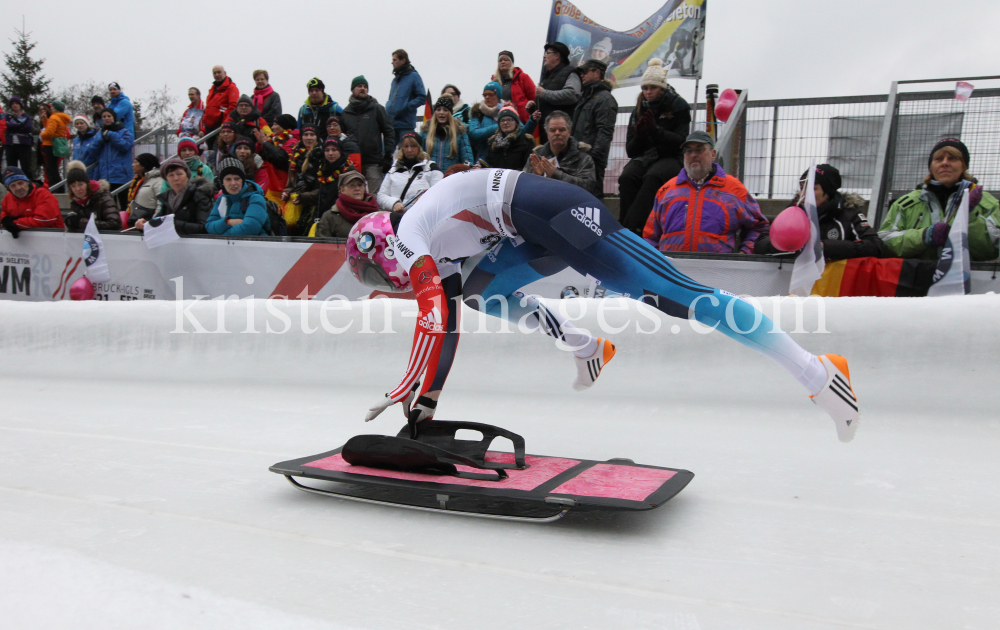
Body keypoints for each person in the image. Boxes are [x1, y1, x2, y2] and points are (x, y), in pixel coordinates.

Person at [349, 168, 862, 444]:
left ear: (381, 245)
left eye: (372, 271)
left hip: (555, 212)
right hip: (530, 226)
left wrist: (409, 389)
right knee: (484, 293)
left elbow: (432, 316)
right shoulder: (436, 254)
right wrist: (428, 403)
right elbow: (451, 322)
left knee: (676, 297)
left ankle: (817, 372)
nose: (382, 281)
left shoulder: (411, 231)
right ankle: (587, 347)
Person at [643, 131, 769, 254]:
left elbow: (758, 226)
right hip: (672, 270)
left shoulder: (734, 190)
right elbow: (650, 235)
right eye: (688, 151)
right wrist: (654, 263)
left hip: (716, 271)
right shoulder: (667, 190)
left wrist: (744, 253)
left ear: (713, 154)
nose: (693, 155)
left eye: (699, 149)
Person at [878, 138, 1000, 261]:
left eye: (952, 158)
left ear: (964, 166)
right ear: (931, 167)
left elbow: (992, 250)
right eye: (939, 159)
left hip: (969, 279)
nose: (945, 163)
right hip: (917, 278)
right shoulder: (906, 203)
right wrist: (924, 236)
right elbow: (884, 243)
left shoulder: (987, 202)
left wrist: (970, 215)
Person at [618, 58, 691, 232]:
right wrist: (641, 135)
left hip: (671, 156)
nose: (648, 92)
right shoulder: (638, 108)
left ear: (662, 88)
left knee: (652, 177)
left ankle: (630, 228)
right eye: (645, 88)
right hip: (645, 155)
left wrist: (655, 132)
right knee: (627, 177)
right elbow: (631, 150)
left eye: (653, 88)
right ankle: (629, 226)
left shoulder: (678, 105)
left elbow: (681, 141)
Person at [755, 164, 885, 260]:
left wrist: (825, 247)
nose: (803, 193)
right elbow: (761, 244)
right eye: (801, 188)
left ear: (828, 192)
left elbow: (875, 246)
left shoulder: (848, 214)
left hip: (834, 289)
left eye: (812, 188)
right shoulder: (793, 212)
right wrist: (792, 245)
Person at [571, 59, 618, 198]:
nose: (582, 75)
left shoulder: (605, 99)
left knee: (591, 200)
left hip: (591, 160)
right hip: (580, 157)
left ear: (597, 73)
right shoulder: (586, 97)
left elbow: (605, 132)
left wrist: (593, 157)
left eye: (585, 71)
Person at [341, 76, 395, 194]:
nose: (363, 89)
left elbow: (388, 131)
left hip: (374, 162)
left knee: (376, 197)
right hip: (353, 164)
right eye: (359, 86)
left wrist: (388, 154)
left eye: (365, 87)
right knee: (353, 196)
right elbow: (342, 138)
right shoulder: (345, 113)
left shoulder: (376, 109)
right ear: (352, 89)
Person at [523, 111, 597, 195]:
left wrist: (556, 174)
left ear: (569, 131)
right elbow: (524, 188)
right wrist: (538, 177)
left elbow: (588, 188)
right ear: (547, 133)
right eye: (552, 130)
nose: (557, 133)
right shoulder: (536, 158)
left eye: (562, 130)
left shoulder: (584, 159)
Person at [298, 137, 358, 236]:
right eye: (327, 150)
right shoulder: (322, 170)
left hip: (342, 219)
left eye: (334, 150)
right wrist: (302, 197)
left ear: (340, 151)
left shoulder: (349, 171)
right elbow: (320, 193)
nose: (330, 153)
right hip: (323, 217)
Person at [142, 157, 212, 236]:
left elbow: (204, 227)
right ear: (166, 179)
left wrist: (172, 224)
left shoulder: (199, 196)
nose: (176, 178)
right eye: (171, 175)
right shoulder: (166, 198)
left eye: (179, 174)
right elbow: (158, 224)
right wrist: (145, 225)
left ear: (187, 176)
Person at [377, 131, 443, 212]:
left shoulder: (431, 169)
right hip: (397, 217)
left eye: (413, 146)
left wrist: (426, 197)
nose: (409, 150)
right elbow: (381, 195)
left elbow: (440, 193)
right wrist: (394, 203)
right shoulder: (394, 170)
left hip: (421, 215)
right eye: (406, 146)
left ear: (420, 148)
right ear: (402, 149)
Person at [205, 157, 270, 236]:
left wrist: (222, 236)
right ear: (222, 182)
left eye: (237, 179)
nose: (233, 183)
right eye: (228, 179)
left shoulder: (255, 198)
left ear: (242, 180)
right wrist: (228, 222)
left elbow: (250, 228)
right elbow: (209, 226)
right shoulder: (221, 199)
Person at [531, 42, 581, 143]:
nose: (544, 56)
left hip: (561, 134)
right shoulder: (547, 77)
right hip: (547, 133)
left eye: (548, 52)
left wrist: (544, 93)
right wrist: (533, 107)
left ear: (557, 56)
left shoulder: (570, 73)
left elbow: (571, 95)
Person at [1, 167, 65, 236]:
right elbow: (4, 212)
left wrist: (16, 223)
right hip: (22, 243)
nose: (18, 188)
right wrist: (4, 220)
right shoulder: (8, 198)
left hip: (52, 239)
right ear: (9, 189)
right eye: (13, 186)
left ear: (27, 182)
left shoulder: (44, 195)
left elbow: (45, 220)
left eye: (20, 183)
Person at [282, 125, 321, 234]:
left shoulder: (321, 154)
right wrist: (286, 193)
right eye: (305, 134)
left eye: (312, 135)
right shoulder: (296, 153)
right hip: (296, 204)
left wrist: (304, 197)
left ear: (317, 137)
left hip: (313, 205)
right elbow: (291, 183)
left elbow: (322, 188)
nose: (309, 138)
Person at [317, 169, 378, 238]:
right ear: (342, 189)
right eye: (352, 185)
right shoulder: (330, 216)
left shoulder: (377, 214)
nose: (357, 188)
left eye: (360, 185)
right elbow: (323, 245)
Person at [420, 96, 473, 172]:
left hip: (451, 178)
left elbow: (467, 160)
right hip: (430, 177)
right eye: (438, 110)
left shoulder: (460, 133)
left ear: (450, 113)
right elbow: (419, 158)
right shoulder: (425, 133)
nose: (441, 112)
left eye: (445, 110)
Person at [255, 114, 298, 207]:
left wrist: (266, 143)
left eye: (276, 124)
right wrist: (260, 144)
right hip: (272, 188)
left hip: (285, 190)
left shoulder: (293, 142)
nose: (272, 127)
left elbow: (282, 159)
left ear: (284, 126)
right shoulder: (273, 141)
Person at [386, 49, 427, 148]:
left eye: (395, 60)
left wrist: (406, 107)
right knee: (387, 154)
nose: (392, 62)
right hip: (392, 124)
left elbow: (422, 97)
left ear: (403, 60)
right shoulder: (395, 80)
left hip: (405, 124)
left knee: (406, 152)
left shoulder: (414, 76)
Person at [94, 108, 134, 208]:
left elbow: (126, 146)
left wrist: (111, 135)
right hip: (105, 177)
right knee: (109, 207)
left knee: (125, 206)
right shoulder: (99, 134)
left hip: (121, 176)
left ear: (114, 118)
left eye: (109, 116)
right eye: (104, 116)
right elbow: (92, 150)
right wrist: (101, 139)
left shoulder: (125, 132)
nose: (106, 118)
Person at [64, 167, 121, 231]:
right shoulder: (75, 203)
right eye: (73, 186)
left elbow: (115, 224)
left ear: (87, 184)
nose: (78, 189)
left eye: (80, 184)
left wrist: (82, 223)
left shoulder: (104, 198)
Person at [492, 50, 536, 123]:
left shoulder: (523, 77)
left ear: (511, 63)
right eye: (500, 60)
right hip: (501, 120)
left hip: (522, 120)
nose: (503, 62)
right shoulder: (494, 82)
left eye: (506, 60)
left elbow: (534, 97)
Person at [201, 66, 239, 149]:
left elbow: (233, 107)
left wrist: (225, 123)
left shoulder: (231, 87)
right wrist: (204, 127)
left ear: (224, 73)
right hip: (210, 127)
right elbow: (208, 109)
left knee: (218, 150)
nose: (217, 74)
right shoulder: (213, 89)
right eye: (215, 73)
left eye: (219, 72)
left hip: (221, 126)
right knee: (211, 151)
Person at [468, 82, 504, 162]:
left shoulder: (507, 110)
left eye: (491, 95)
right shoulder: (477, 112)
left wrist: (532, 120)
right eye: (485, 95)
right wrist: (498, 127)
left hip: (503, 161)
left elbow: (522, 131)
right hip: (483, 162)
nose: (487, 97)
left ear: (498, 96)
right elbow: (473, 134)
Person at [39, 100, 71, 188]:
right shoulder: (60, 117)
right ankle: (57, 187)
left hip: (50, 144)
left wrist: (41, 135)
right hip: (54, 144)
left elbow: (49, 132)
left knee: (52, 168)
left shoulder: (54, 117)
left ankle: (57, 187)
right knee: (52, 167)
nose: (51, 108)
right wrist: (45, 120)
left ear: (56, 108)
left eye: (52, 107)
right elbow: (50, 127)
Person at [124, 153, 162, 224]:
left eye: (135, 162)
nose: (132, 165)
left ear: (143, 165)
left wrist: (153, 223)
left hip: (147, 223)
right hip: (137, 222)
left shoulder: (158, 181)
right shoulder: (137, 181)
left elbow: (161, 204)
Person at [3, 96, 34, 176]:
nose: (15, 105)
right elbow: (5, 126)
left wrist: (12, 126)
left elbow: (28, 128)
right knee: (11, 168)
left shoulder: (25, 116)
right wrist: (19, 125)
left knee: (26, 167)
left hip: (24, 145)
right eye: (12, 103)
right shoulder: (7, 116)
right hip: (10, 145)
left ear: (20, 104)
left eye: (16, 103)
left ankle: (29, 185)